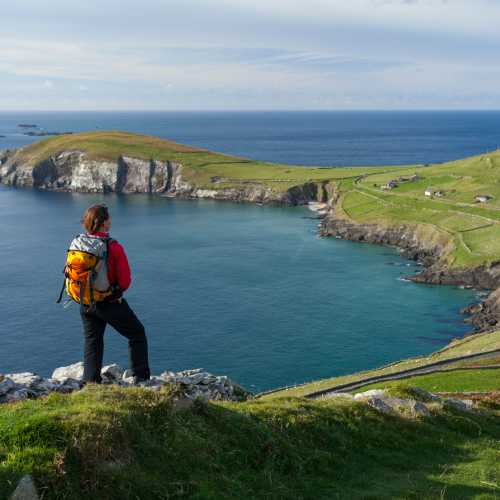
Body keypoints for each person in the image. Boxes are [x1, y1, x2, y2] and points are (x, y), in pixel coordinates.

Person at [75, 204, 151, 384]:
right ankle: (140, 378)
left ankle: (91, 383)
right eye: (108, 218)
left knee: (93, 341)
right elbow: (124, 280)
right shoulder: (112, 246)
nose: (111, 221)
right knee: (137, 334)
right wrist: (115, 294)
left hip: (85, 301)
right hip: (108, 301)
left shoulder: (79, 242)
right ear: (103, 223)